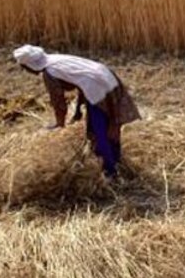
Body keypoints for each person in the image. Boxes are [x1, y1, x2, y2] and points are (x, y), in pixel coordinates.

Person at [13, 45, 140, 179]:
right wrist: (78, 110)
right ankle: (117, 163)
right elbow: (81, 79)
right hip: (107, 75)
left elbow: (59, 103)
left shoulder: (49, 72)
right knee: (112, 127)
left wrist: (59, 124)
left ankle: (110, 174)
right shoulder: (55, 59)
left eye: (24, 67)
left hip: (96, 87)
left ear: (30, 66)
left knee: (98, 132)